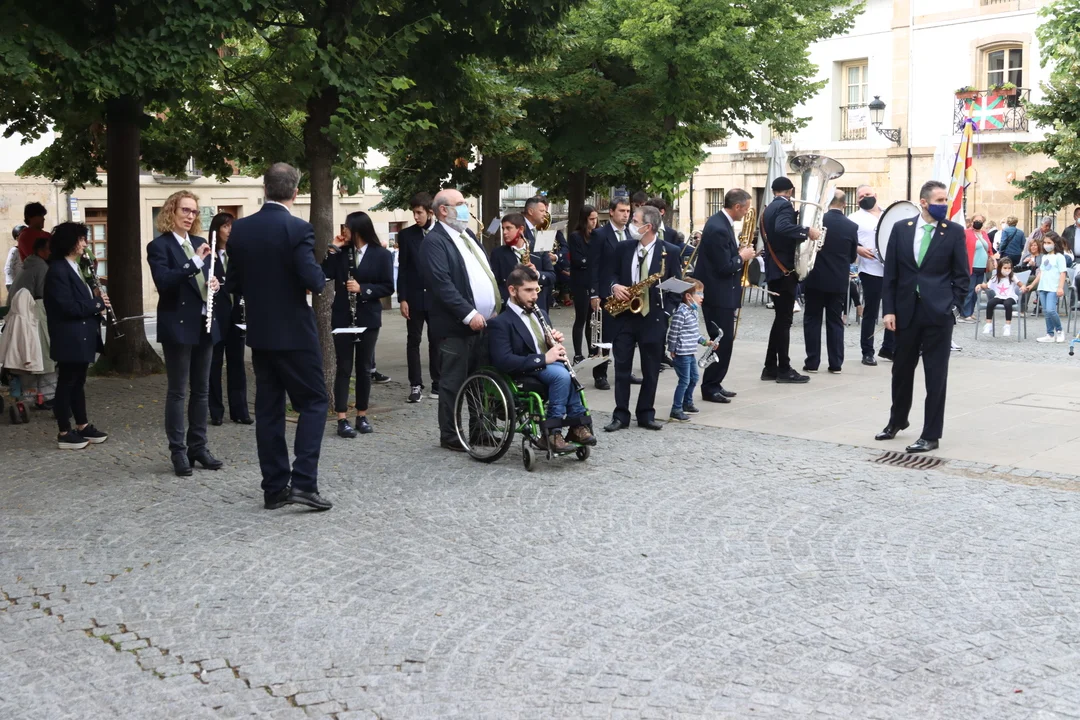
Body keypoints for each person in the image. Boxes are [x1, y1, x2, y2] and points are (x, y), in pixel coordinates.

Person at [225, 162, 331, 511]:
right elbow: (313, 280)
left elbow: (233, 282)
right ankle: (303, 483)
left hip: (260, 332)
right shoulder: (298, 228)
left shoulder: (241, 229)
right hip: (295, 332)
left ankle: (273, 488)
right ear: (295, 192)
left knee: (268, 410)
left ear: (265, 188)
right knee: (315, 402)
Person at [876, 180, 969, 453]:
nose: (944, 205)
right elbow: (891, 274)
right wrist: (888, 309)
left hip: (938, 314)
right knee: (901, 370)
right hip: (906, 312)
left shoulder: (953, 232)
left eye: (945, 200)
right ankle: (897, 420)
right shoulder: (901, 229)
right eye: (940, 200)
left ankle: (931, 434)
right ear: (924, 202)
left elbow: (962, 276)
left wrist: (953, 307)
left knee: (935, 375)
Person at [146, 190, 225, 477]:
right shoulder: (159, 246)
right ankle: (178, 451)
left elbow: (211, 277)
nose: (190, 216)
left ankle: (198, 447)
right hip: (178, 324)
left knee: (202, 390)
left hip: (205, 322)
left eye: (194, 211)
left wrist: (214, 283)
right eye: (185, 210)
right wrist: (194, 264)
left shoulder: (201, 243)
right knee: (178, 391)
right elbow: (164, 281)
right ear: (171, 211)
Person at [420, 188, 501, 452]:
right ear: (444, 210)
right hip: (455, 327)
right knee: (453, 383)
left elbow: (483, 273)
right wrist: (468, 314)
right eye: (462, 204)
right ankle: (451, 434)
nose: (467, 208)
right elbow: (442, 284)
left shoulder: (467, 236)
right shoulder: (435, 241)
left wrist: (494, 306)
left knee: (482, 379)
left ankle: (481, 429)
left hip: (484, 323)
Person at [487, 264, 596, 451]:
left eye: (536, 290)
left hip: (547, 367)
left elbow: (542, 346)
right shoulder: (500, 323)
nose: (534, 296)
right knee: (561, 375)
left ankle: (576, 425)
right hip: (523, 370)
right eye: (528, 290)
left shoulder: (541, 313)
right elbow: (503, 360)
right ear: (512, 290)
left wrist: (552, 342)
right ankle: (552, 432)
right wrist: (544, 358)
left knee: (567, 373)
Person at [602, 204, 682, 432]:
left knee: (651, 369)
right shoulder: (624, 248)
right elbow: (609, 273)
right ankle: (620, 415)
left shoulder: (670, 251)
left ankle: (646, 413)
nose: (630, 224)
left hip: (653, 318)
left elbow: (676, 287)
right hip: (625, 317)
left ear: (648, 227)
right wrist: (614, 286)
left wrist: (666, 313)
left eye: (635, 221)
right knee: (622, 369)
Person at [323, 211, 394, 437]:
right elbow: (324, 274)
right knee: (344, 367)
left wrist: (363, 289)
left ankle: (362, 415)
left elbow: (388, 286)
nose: (343, 231)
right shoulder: (341, 253)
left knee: (364, 368)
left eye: (346, 227)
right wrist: (332, 249)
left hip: (367, 317)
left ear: (358, 229)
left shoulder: (381, 254)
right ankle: (341, 418)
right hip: (343, 316)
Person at [42, 222, 110, 450]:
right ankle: (64, 431)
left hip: (81, 335)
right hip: (69, 336)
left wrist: (94, 297)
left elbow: (79, 300)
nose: (84, 244)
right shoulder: (58, 270)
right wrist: (97, 303)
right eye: (81, 239)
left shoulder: (75, 267)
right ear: (69, 242)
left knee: (78, 382)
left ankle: (82, 425)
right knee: (67, 382)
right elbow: (67, 306)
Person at [694, 188, 756, 403]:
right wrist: (742, 256)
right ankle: (710, 386)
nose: (746, 213)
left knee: (725, 340)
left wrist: (738, 252)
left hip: (722, 291)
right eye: (745, 209)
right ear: (737, 207)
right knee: (721, 340)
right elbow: (723, 266)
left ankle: (716, 382)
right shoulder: (719, 227)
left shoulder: (721, 222)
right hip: (717, 293)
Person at [761, 176, 821, 384]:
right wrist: (807, 231)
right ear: (791, 191)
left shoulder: (768, 208)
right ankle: (784, 370)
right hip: (784, 272)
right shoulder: (784, 206)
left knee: (780, 319)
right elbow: (782, 227)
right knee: (784, 321)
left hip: (775, 270)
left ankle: (770, 367)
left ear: (773, 190)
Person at [803, 190, 858, 374]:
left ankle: (812, 362)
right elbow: (852, 256)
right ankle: (836, 364)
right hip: (838, 280)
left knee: (812, 320)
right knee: (835, 322)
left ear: (827, 202)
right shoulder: (851, 226)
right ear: (844, 204)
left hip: (815, 278)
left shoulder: (816, 222)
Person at [205, 213, 251, 426]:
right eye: (225, 226)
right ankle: (216, 411)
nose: (230, 230)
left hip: (236, 315)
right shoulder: (209, 255)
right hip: (216, 316)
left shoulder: (239, 255)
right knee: (214, 364)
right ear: (216, 230)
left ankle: (240, 411)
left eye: (232, 226)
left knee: (237, 363)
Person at [396, 192, 441, 404]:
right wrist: (402, 298)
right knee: (413, 341)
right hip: (414, 297)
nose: (415, 217)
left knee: (436, 341)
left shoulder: (441, 232)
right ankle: (415, 384)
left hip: (436, 298)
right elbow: (403, 269)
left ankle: (438, 382)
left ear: (430, 212)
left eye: (419, 213)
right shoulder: (406, 236)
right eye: (413, 213)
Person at [588, 197, 632, 390]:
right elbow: (594, 266)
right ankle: (600, 374)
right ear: (612, 212)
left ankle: (624, 371)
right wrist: (594, 294)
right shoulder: (600, 234)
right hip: (606, 292)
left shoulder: (630, 233)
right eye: (622, 211)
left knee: (626, 335)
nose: (625, 215)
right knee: (604, 336)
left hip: (627, 293)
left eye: (628, 211)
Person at [7, 237, 57, 409]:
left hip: (21, 315)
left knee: (29, 357)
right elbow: (43, 295)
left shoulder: (29, 264)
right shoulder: (41, 267)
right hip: (33, 316)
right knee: (43, 357)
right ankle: (46, 397)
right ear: (41, 251)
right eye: (49, 249)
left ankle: (31, 396)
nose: (52, 252)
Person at [666, 279, 715, 422]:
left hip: (690, 352)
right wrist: (672, 349)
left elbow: (694, 333)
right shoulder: (681, 312)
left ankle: (687, 403)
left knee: (694, 378)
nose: (702, 297)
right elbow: (673, 332)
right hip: (681, 353)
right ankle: (676, 409)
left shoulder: (693, 311)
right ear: (688, 296)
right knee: (684, 381)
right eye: (699, 294)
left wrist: (705, 342)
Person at [489, 212, 555, 312]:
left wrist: (537, 274)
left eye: (508, 228)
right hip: (511, 307)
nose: (504, 232)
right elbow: (495, 283)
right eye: (503, 229)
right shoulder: (498, 253)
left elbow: (552, 276)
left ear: (521, 229)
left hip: (537, 305)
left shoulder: (539, 248)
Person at [568, 205, 598, 363]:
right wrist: (592, 261)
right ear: (584, 220)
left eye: (596, 219)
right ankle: (578, 354)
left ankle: (593, 351)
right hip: (580, 282)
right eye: (591, 219)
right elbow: (578, 260)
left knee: (592, 319)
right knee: (581, 318)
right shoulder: (576, 236)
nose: (594, 222)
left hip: (593, 281)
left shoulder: (597, 235)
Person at [1024, 232, 1068, 343]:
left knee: (1051, 310)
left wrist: (1060, 287)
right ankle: (1050, 334)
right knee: (1046, 312)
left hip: (1053, 288)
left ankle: (1059, 330)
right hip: (1043, 287)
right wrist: (1032, 285)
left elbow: (1063, 273)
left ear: (1055, 243)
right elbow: (1041, 272)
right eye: (1045, 243)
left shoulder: (1059, 257)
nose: (1046, 245)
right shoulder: (1045, 257)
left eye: (1049, 243)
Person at [960, 214, 994, 322]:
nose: (978, 222)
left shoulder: (984, 233)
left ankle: (970, 312)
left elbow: (989, 248)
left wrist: (993, 257)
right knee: (969, 290)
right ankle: (964, 313)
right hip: (971, 266)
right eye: (976, 220)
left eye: (980, 220)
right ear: (972, 221)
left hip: (982, 267)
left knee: (976, 291)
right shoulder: (966, 233)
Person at [976, 257, 1021, 336]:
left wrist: (1023, 287)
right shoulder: (995, 277)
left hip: (1011, 297)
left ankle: (1007, 326)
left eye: (1009, 268)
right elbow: (987, 286)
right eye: (1005, 268)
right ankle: (988, 324)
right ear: (1000, 268)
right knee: (990, 303)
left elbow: (1020, 284)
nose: (1007, 270)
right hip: (999, 296)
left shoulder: (1012, 276)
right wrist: (979, 285)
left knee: (1007, 304)